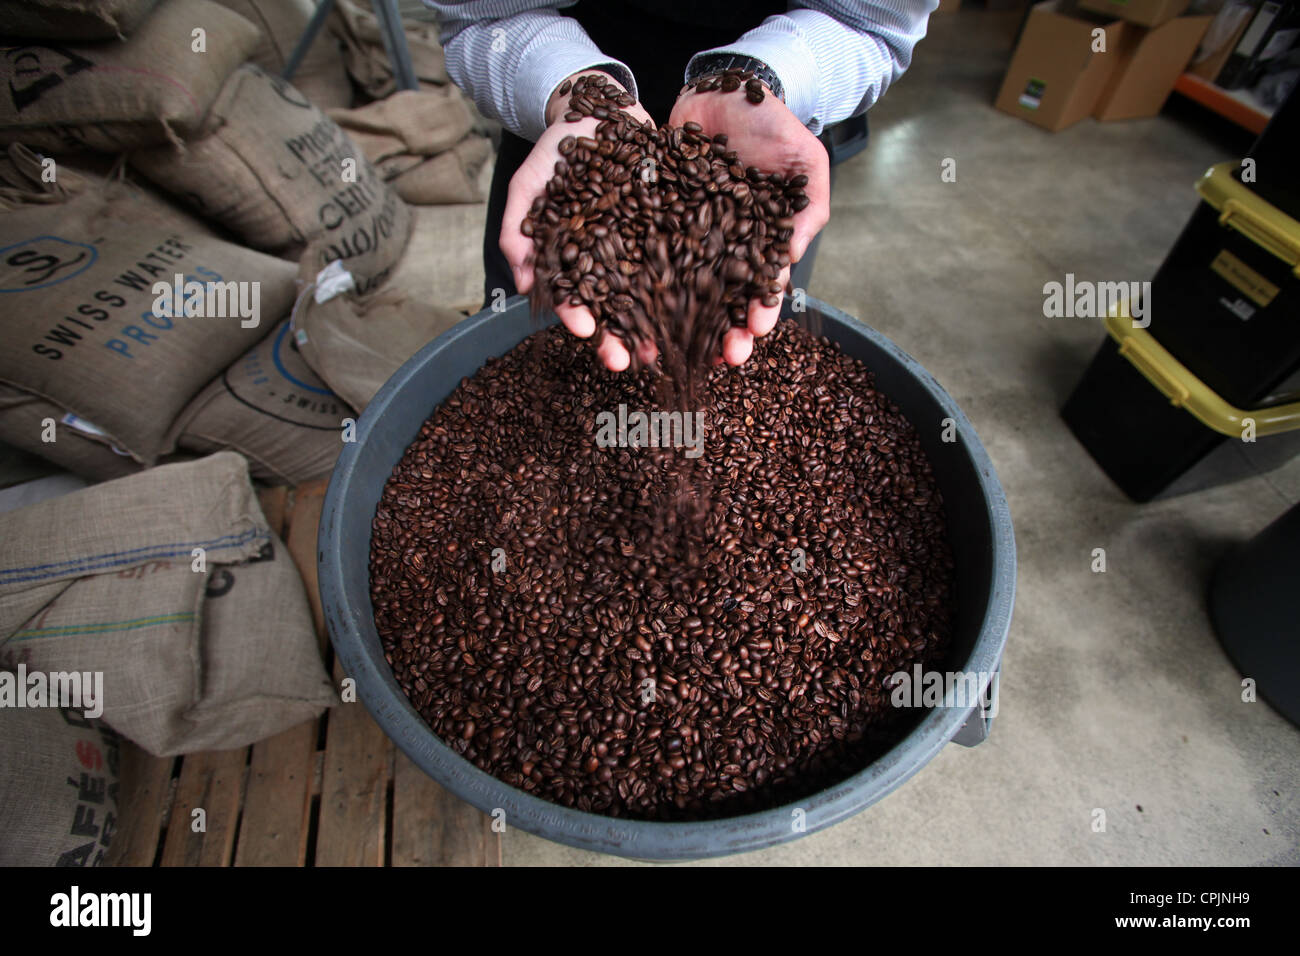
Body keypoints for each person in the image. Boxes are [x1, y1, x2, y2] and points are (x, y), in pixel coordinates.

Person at [425, 0, 936, 369]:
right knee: (529, 336)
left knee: (742, 328)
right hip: (563, 125)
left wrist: (753, 80)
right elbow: (485, 15)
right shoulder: (579, 176)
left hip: (766, 138)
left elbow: (869, 21)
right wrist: (581, 96)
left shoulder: (750, 196)